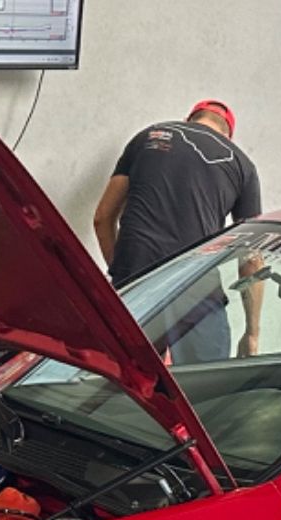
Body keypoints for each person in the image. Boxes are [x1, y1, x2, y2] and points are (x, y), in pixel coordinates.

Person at [94, 101, 264, 362]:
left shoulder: (146, 137)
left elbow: (102, 218)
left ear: (188, 120)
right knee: (204, 381)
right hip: (195, 286)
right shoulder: (242, 164)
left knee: (124, 377)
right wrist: (252, 333)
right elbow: (251, 258)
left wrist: (123, 276)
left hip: (135, 279)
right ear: (228, 135)